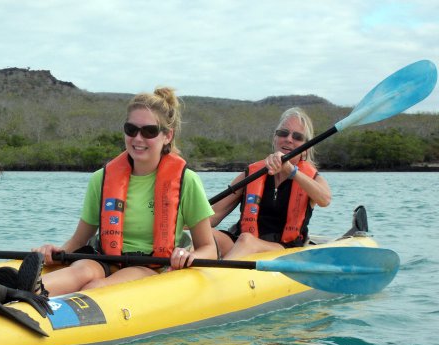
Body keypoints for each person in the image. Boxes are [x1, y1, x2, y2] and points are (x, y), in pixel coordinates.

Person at [32, 87, 217, 296]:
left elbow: (208, 247)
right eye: (131, 129)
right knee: (80, 273)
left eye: (149, 131)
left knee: (95, 288)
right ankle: (21, 290)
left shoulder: (187, 181)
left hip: (150, 267)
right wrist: (55, 251)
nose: (138, 138)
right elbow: (78, 241)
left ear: (167, 136)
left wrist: (187, 255)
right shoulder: (100, 179)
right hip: (103, 259)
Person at [211, 107, 331, 260]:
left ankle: (218, 277)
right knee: (206, 235)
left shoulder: (312, 179)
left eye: (297, 137)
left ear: (305, 150)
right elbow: (214, 215)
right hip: (240, 242)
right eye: (283, 133)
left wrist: (292, 172)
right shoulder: (252, 174)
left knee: (247, 241)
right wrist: (182, 222)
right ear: (275, 139)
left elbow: (325, 200)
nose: (288, 139)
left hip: (282, 248)